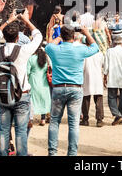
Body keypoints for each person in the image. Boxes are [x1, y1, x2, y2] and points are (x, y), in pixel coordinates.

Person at [0, 9, 43, 156]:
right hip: (22, 96)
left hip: (2, 96)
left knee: (3, 131)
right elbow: (38, 36)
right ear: (17, 37)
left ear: (5, 37)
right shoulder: (24, 50)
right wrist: (25, 20)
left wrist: (9, 20)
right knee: (20, 132)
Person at [45, 25, 99, 156]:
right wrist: (86, 33)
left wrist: (58, 36)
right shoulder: (80, 50)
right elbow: (95, 48)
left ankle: (52, 153)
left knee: (54, 121)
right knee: (74, 124)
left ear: (62, 36)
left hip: (58, 89)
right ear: (74, 36)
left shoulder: (54, 49)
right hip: (75, 89)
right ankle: (72, 153)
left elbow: (48, 46)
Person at [104, 35, 122, 125]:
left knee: (111, 98)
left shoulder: (109, 51)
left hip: (112, 78)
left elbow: (106, 67)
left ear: (113, 43)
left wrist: (105, 77)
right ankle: (121, 117)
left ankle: (117, 115)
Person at [27, 44, 51, 126]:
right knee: (43, 100)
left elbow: (27, 72)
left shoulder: (31, 59)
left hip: (33, 82)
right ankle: (43, 119)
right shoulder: (46, 59)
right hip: (44, 83)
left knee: (32, 100)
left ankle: (30, 118)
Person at [81, 49, 105, 127]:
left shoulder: (85, 54)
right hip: (97, 77)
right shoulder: (100, 54)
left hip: (87, 78)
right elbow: (103, 65)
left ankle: (85, 119)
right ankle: (99, 120)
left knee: (86, 99)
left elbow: (82, 67)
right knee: (99, 99)